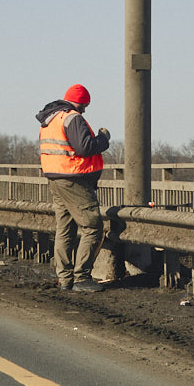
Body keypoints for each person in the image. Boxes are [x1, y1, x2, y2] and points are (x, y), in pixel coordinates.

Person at [36, 84, 111, 292]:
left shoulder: (51, 118)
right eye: (85, 105)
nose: (85, 109)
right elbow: (85, 147)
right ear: (82, 102)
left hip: (56, 178)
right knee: (92, 227)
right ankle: (81, 278)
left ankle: (65, 278)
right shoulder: (72, 117)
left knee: (65, 228)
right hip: (74, 179)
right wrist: (103, 139)